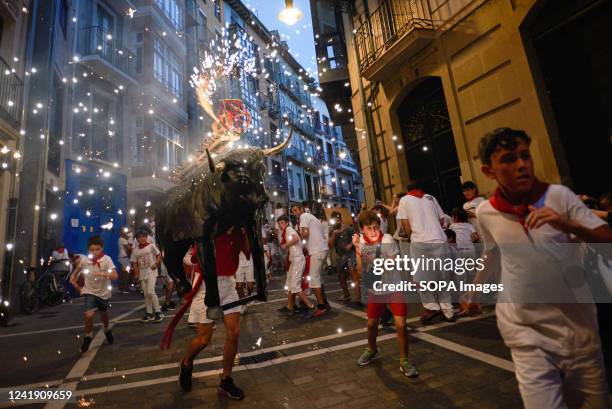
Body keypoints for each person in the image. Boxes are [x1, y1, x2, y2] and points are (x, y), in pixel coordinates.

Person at [470, 127, 612, 409]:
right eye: (509, 159)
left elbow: (607, 237)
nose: (522, 165)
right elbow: (493, 252)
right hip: (525, 332)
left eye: (525, 156)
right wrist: (474, 290)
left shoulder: (559, 196)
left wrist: (566, 224)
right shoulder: (485, 212)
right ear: (489, 171)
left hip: (578, 331)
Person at [179, 226, 249, 400]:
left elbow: (248, 251)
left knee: (234, 332)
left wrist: (247, 230)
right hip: (207, 285)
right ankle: (186, 361)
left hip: (228, 284)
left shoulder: (239, 231)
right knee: (204, 339)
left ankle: (226, 381)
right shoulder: (210, 229)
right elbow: (195, 257)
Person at [353, 210, 419, 377]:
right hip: (376, 290)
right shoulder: (361, 242)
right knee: (371, 324)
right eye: (369, 228)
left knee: (401, 325)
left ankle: (404, 360)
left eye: (376, 227)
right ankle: (372, 349)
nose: (374, 231)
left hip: (394, 287)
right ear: (362, 229)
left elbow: (394, 262)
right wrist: (358, 250)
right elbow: (361, 271)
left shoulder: (387, 239)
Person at [396, 182, 454, 323]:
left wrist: (412, 237)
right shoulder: (431, 198)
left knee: (420, 278)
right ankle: (448, 310)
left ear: (407, 190)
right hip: (439, 240)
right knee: (442, 277)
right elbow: (441, 220)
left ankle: (431, 307)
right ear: (420, 189)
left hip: (420, 242)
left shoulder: (404, 200)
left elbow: (405, 223)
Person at [69, 235, 118, 353]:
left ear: (102, 248)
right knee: (88, 315)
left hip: (103, 293)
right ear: (88, 250)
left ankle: (106, 330)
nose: (95, 252)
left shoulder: (107, 259)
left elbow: (115, 276)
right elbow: (74, 275)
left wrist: (102, 273)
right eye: (92, 250)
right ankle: (88, 337)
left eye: (97, 249)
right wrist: (75, 284)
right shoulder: (85, 260)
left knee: (104, 314)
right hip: (89, 291)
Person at [291, 204, 330, 316]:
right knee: (319, 278)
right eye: (293, 211)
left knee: (314, 280)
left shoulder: (304, 216)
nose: (294, 213)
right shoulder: (312, 217)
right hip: (322, 249)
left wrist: (298, 239)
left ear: (301, 209)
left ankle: (321, 306)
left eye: (295, 210)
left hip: (317, 250)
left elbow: (306, 233)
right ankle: (325, 303)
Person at [277, 215, 314, 314]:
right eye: (279, 223)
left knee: (295, 286)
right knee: (290, 285)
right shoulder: (286, 231)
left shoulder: (289, 229)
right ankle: (290, 307)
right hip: (294, 260)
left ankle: (310, 305)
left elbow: (295, 239)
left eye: (282, 223)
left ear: (287, 222)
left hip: (298, 259)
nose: (281, 225)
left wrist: (286, 245)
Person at [131, 229, 163, 323]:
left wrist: (156, 263)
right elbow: (134, 263)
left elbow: (158, 254)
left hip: (151, 272)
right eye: (139, 237)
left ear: (146, 237)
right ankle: (149, 313)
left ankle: (158, 312)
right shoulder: (135, 251)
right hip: (142, 273)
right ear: (137, 239)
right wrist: (136, 274)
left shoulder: (151, 246)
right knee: (146, 294)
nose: (142, 239)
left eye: (143, 236)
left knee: (150, 292)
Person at [328, 211, 357, 302]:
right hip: (340, 256)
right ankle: (346, 294)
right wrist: (334, 235)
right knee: (341, 276)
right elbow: (330, 245)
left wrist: (351, 245)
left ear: (340, 220)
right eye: (334, 221)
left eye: (337, 220)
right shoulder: (332, 231)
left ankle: (358, 297)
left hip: (350, 254)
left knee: (353, 273)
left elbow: (356, 237)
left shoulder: (348, 229)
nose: (336, 222)